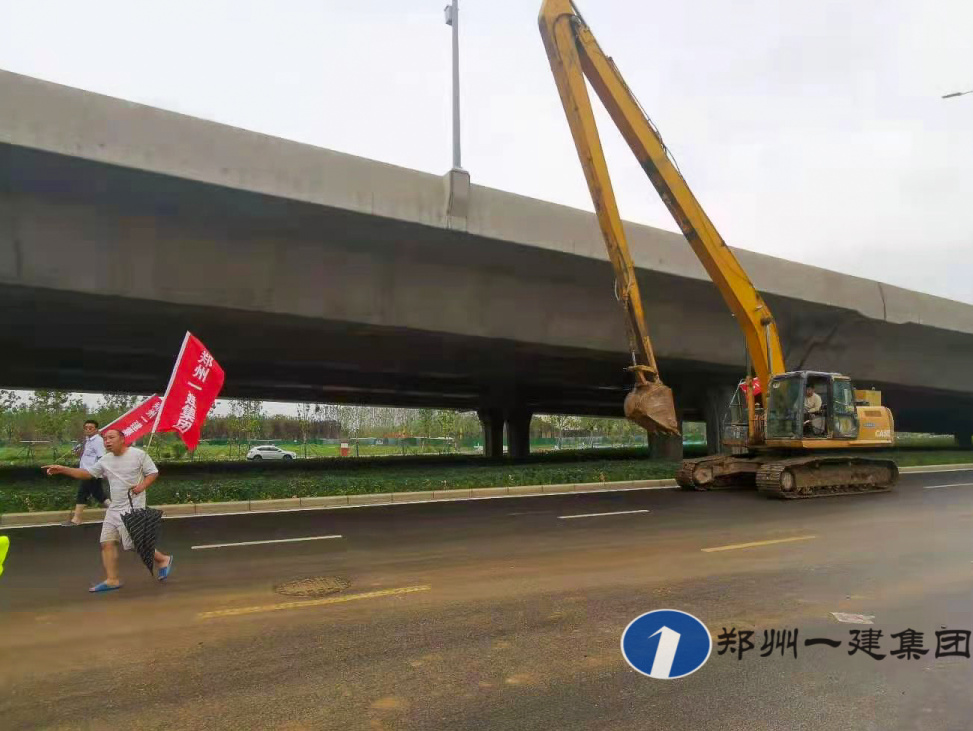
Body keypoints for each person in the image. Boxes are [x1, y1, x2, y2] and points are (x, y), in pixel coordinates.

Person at [43, 428, 173, 593]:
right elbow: (87, 473)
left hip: (132, 508)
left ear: (122, 439)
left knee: (134, 545)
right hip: (114, 508)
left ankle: (163, 559)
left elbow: (153, 473)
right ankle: (112, 580)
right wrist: (63, 469)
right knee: (106, 543)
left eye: (111, 437)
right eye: (105, 439)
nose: (107, 441)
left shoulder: (138, 454)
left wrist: (141, 486)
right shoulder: (105, 460)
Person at [63, 419, 109, 526]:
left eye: (91, 428)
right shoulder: (88, 441)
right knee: (97, 494)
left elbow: (102, 457)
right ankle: (119, 512)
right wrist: (78, 453)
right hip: (85, 472)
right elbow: (87, 456)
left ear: (96, 430)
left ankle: (77, 519)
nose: (88, 430)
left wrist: (99, 472)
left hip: (92, 473)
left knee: (84, 494)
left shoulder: (98, 441)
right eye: (86, 428)